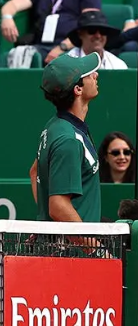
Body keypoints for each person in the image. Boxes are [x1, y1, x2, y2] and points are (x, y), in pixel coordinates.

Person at [29, 52, 103, 222]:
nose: (95, 74)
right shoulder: (68, 140)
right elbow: (58, 207)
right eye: (89, 74)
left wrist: (46, 219)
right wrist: (93, 248)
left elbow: (35, 172)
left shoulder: (54, 126)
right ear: (78, 89)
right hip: (72, 248)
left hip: (63, 243)